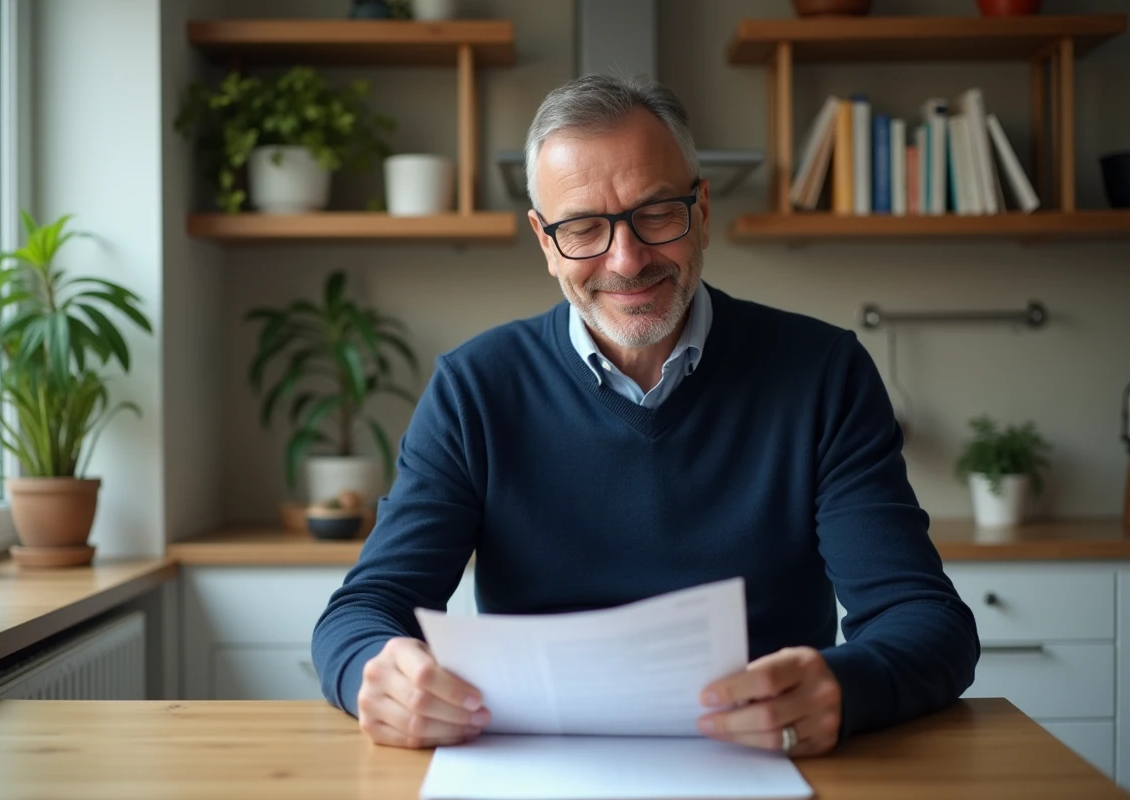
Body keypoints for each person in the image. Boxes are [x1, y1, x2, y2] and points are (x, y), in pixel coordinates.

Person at [312, 74, 979, 756]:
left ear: (703, 210)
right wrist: (376, 674)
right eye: (583, 228)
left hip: (765, 762)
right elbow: (362, 611)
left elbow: (927, 622)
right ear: (545, 242)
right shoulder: (475, 388)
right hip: (535, 771)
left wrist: (846, 687)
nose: (626, 260)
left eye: (656, 214)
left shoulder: (823, 374)